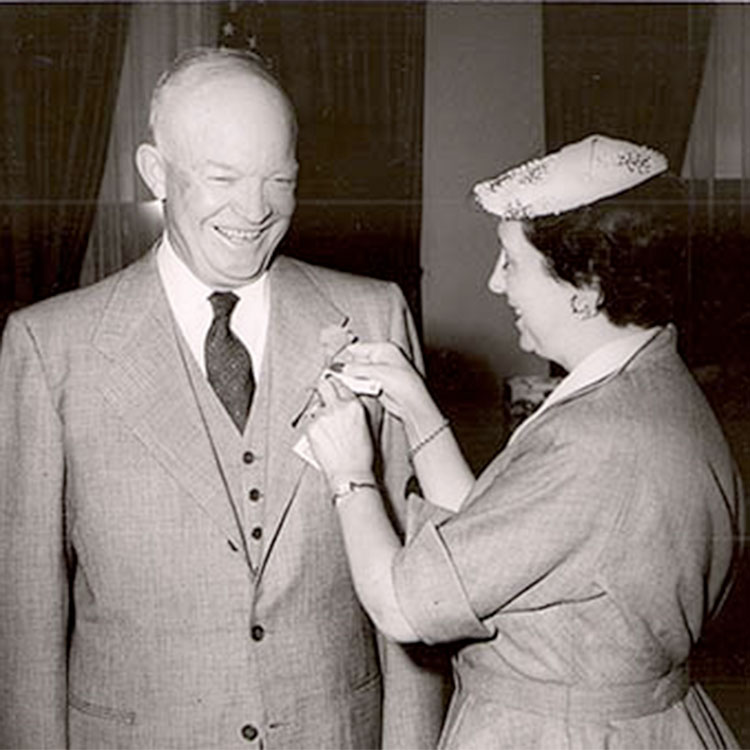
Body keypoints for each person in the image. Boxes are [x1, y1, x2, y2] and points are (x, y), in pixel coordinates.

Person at [0, 47, 449, 750]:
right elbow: (25, 614)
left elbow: (416, 584)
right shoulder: (48, 348)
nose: (256, 209)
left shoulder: (375, 315)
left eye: (280, 179)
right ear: (155, 171)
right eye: (223, 178)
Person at [306, 134, 745, 749]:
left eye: (510, 262)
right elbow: (500, 532)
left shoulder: (597, 440)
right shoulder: (650, 383)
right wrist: (413, 402)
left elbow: (401, 607)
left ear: (585, 288)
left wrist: (350, 476)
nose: (493, 282)